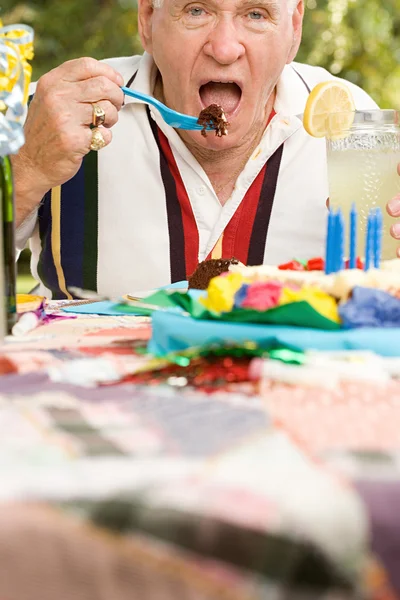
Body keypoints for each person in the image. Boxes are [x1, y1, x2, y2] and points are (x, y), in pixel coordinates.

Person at [12, 0, 378, 299]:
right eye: (196, 10)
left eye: (255, 14)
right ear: (147, 20)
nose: (224, 48)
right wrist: (26, 169)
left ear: (294, 29)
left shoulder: (351, 124)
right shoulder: (57, 117)